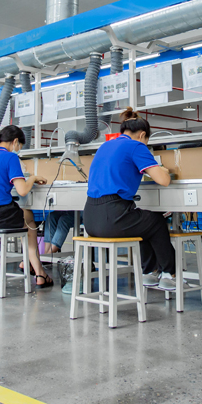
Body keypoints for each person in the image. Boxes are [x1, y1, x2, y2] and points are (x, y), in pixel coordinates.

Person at [82, 107, 176, 290]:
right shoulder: (136, 146)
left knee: (143, 221)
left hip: (90, 219)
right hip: (112, 217)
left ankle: (149, 273)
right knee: (156, 221)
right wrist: (162, 170)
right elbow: (164, 180)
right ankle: (168, 274)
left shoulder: (105, 146)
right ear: (142, 135)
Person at [0, 126, 53, 288]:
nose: (18, 149)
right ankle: (39, 272)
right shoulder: (10, 158)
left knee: (23, 216)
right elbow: (22, 191)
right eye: (20, 146)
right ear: (15, 141)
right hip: (0, 215)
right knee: (29, 219)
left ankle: (33, 266)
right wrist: (33, 178)